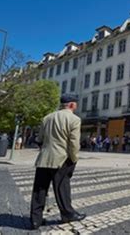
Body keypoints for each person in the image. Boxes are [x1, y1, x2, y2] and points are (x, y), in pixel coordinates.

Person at [30, 94, 86, 230]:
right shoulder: (74, 119)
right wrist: (74, 158)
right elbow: (73, 143)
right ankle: (67, 214)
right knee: (62, 187)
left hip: (44, 158)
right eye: (76, 104)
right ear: (72, 105)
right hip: (62, 159)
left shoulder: (47, 118)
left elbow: (40, 138)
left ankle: (35, 220)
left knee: (39, 189)